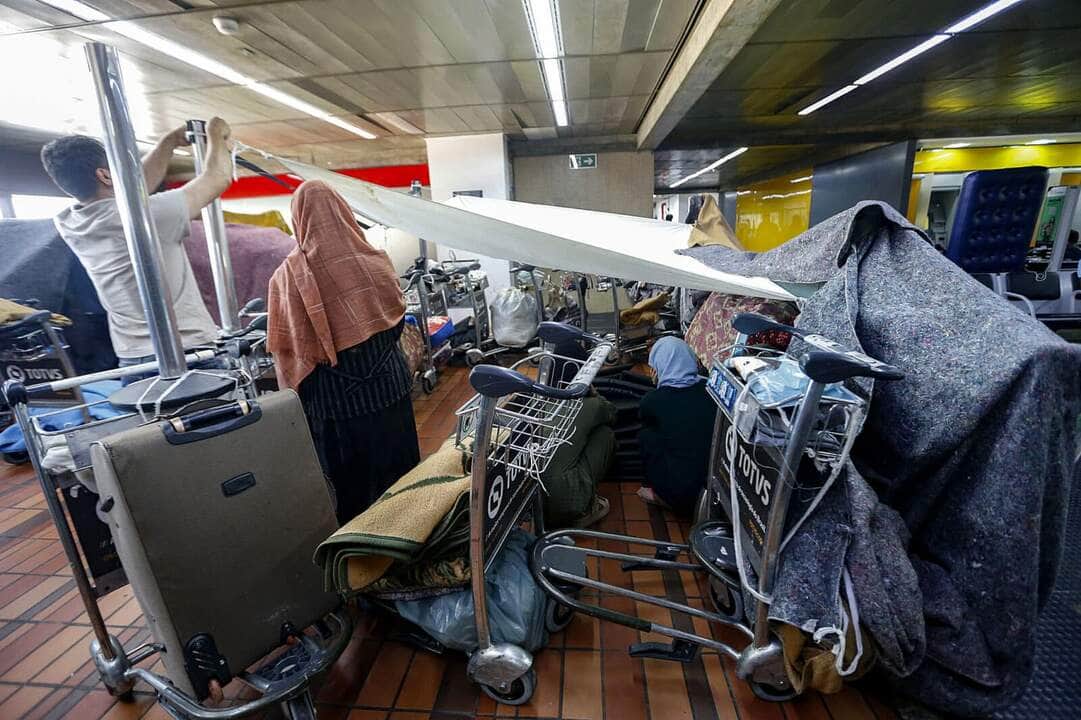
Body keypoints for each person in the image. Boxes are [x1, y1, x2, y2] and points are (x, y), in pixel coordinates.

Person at [267, 179, 419, 524]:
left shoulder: (287, 277)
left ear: (299, 218)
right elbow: (396, 324)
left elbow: (290, 350)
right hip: (389, 390)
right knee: (402, 478)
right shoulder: (375, 261)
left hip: (337, 406)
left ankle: (362, 558)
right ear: (342, 212)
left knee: (353, 493)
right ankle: (411, 538)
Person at [42, 119, 234, 382]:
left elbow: (133, 189)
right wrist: (217, 133)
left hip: (133, 362)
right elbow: (217, 178)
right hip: (186, 354)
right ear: (105, 175)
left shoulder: (69, 222)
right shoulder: (147, 216)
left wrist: (168, 142)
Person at [637, 337, 717, 514]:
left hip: (681, 496)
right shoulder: (710, 388)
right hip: (715, 492)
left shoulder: (653, 401)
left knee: (646, 436)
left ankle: (656, 493)